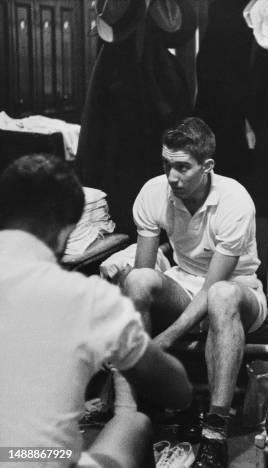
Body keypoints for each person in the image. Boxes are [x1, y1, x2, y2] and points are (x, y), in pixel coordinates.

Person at [0, 154, 192, 468]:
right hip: (31, 460)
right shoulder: (86, 298)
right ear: (65, 231)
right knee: (134, 423)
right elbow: (178, 392)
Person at [122, 117, 267, 467]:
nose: (173, 177)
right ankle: (144, 411)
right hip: (184, 281)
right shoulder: (155, 191)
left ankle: (215, 431)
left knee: (220, 297)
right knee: (136, 280)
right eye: (167, 165)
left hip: (238, 289)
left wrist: (164, 340)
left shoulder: (235, 200)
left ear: (207, 167)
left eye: (183, 168)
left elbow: (214, 286)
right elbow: (145, 270)